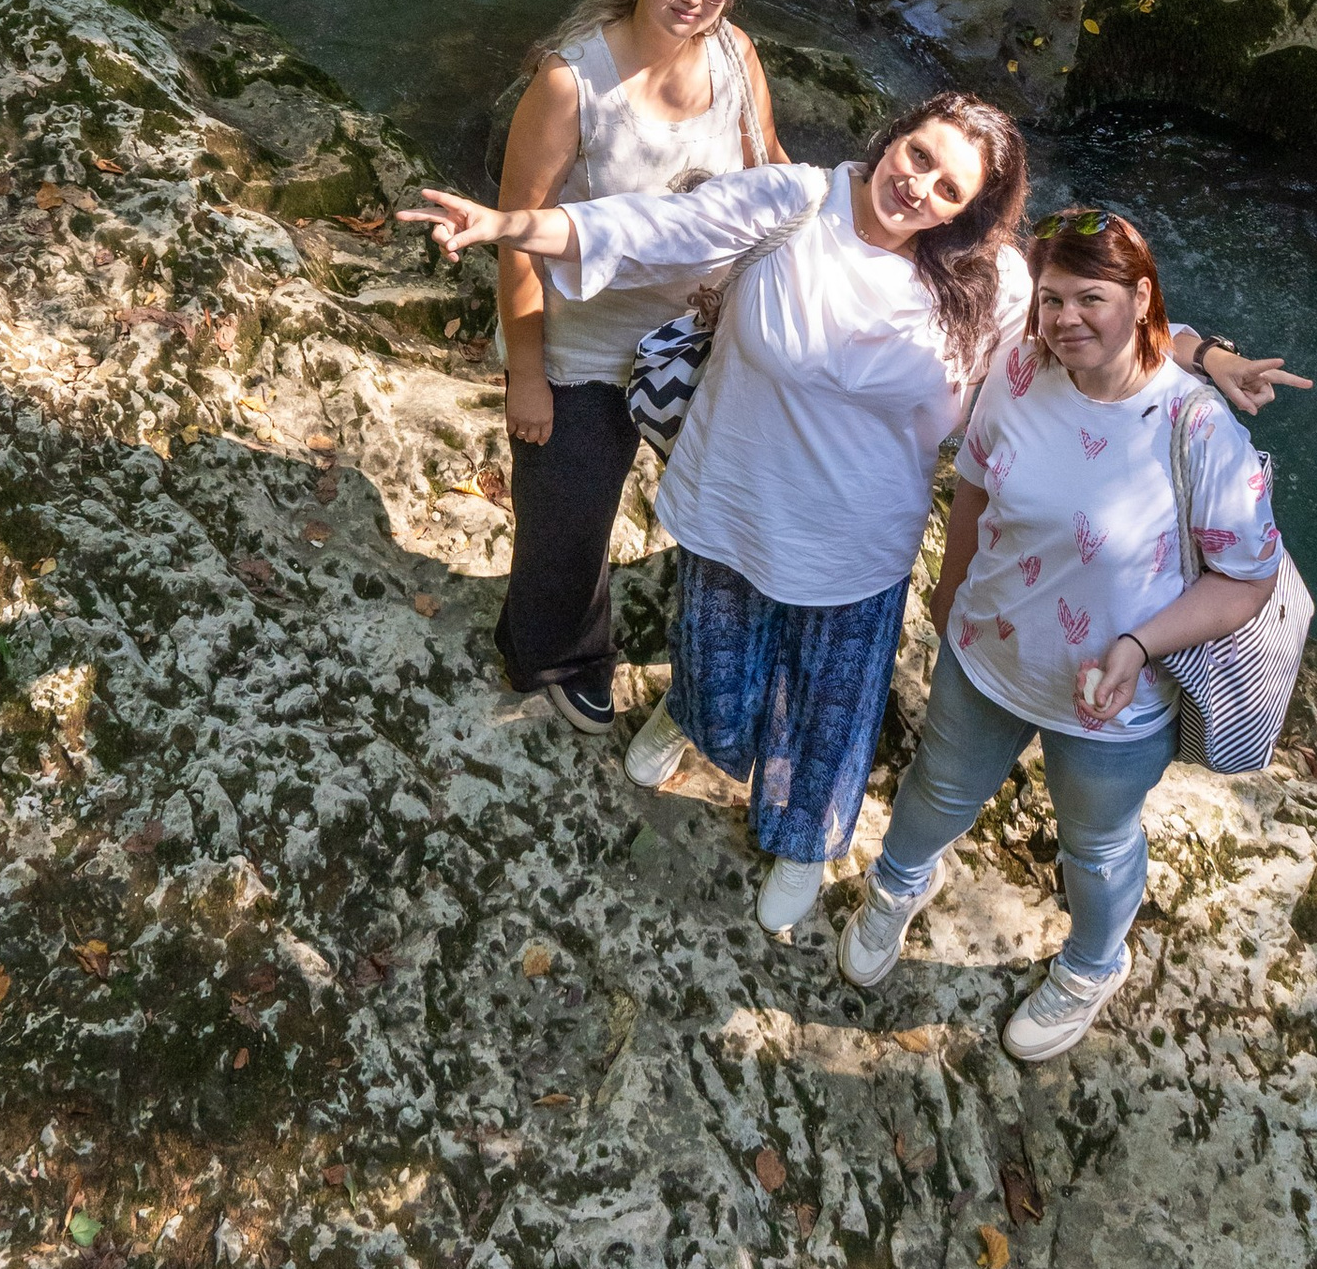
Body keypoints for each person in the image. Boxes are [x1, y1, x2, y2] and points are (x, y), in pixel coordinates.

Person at [408, 96, 1031, 936]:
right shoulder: (796, 203)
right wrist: (507, 223)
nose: (916, 185)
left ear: (971, 214)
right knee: (715, 670)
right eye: (917, 155)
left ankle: (803, 843)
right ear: (894, 136)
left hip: (860, 543)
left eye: (948, 187)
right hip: (737, 504)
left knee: (831, 716)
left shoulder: (994, 284)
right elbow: (651, 227)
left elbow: (1080, 339)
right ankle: (692, 712)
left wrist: (1191, 356)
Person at [838, 205, 1312, 1062]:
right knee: (940, 784)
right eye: (1052, 299)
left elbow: (1247, 577)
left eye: (1089, 297)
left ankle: (1093, 963)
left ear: (1139, 298)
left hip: (1114, 693)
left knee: (1094, 843)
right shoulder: (1020, 370)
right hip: (993, 649)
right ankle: (897, 883)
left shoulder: (1198, 427)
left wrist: (1138, 647)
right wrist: (949, 599)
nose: (1065, 320)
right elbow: (975, 484)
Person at [490, 0, 784, 739]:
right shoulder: (569, 82)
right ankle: (555, 652)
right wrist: (528, 374)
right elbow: (519, 235)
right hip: (586, 343)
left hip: (702, 333)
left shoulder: (734, 56)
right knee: (569, 520)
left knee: (734, 500)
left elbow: (771, 174)